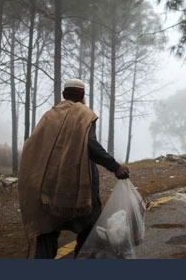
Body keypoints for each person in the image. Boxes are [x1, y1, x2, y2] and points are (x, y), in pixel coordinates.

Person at [18, 78, 130, 259]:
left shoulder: (49, 116)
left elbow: (33, 145)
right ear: (83, 95)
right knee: (90, 227)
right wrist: (114, 166)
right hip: (77, 188)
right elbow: (90, 145)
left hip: (48, 188)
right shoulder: (84, 115)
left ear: (63, 95)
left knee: (47, 232)